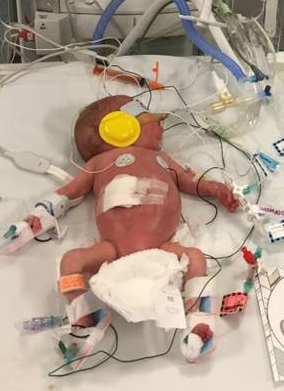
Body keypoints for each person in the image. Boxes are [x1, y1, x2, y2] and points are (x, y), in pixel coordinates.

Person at [12, 94, 239, 364]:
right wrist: (37, 218)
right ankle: (86, 317)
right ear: (120, 129)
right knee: (71, 261)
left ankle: (199, 322)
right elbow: (67, 194)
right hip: (113, 250)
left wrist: (215, 189)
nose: (161, 126)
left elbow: (191, 182)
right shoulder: (99, 164)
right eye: (152, 120)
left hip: (163, 246)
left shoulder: (163, 159)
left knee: (197, 259)